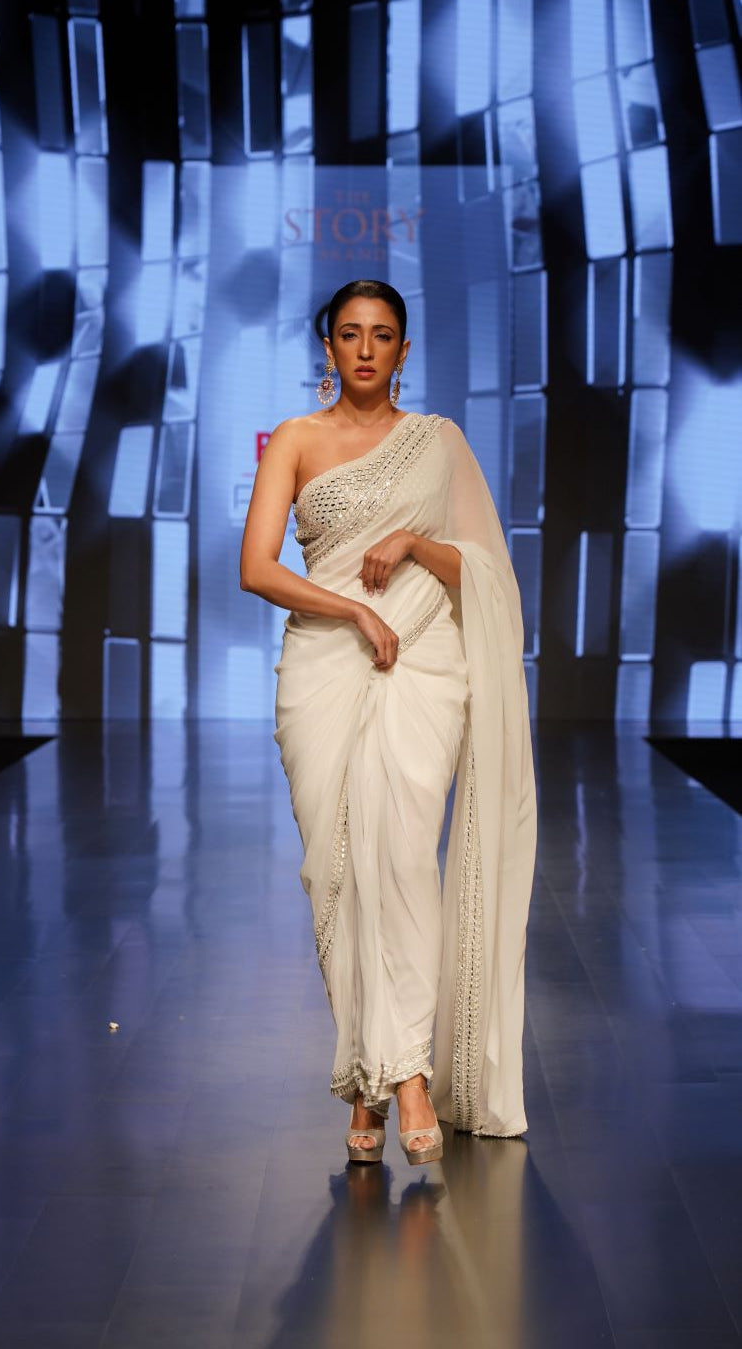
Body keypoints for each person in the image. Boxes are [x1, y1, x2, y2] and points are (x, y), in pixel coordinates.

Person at [239, 279, 536, 1165]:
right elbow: (256, 566)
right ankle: (371, 1077)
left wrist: (411, 544)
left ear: (404, 350)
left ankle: (405, 1076)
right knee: (335, 872)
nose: (365, 349)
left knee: (402, 857)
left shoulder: (438, 443)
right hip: (325, 667)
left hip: (424, 661)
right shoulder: (296, 439)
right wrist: (355, 612)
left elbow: (484, 567)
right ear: (326, 346)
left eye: (383, 336)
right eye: (349, 334)